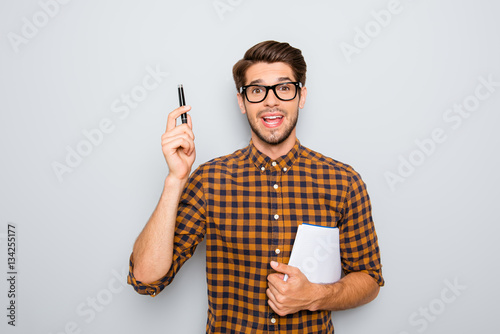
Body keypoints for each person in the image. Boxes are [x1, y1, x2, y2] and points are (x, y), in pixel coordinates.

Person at [128, 40, 384, 333]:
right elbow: (146, 277)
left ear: (301, 96)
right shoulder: (209, 181)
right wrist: (175, 179)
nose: (271, 101)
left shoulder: (343, 181)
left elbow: (369, 279)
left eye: (284, 88)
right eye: (257, 90)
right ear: (242, 101)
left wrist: (316, 295)